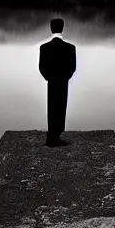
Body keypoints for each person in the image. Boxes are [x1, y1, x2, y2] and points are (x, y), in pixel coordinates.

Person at [38, 18, 76, 147]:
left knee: (52, 107)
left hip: (51, 81)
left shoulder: (44, 47)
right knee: (61, 107)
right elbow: (72, 67)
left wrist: (48, 78)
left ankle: (52, 136)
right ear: (62, 28)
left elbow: (41, 67)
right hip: (63, 81)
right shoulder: (70, 48)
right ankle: (57, 136)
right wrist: (65, 78)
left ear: (51, 28)